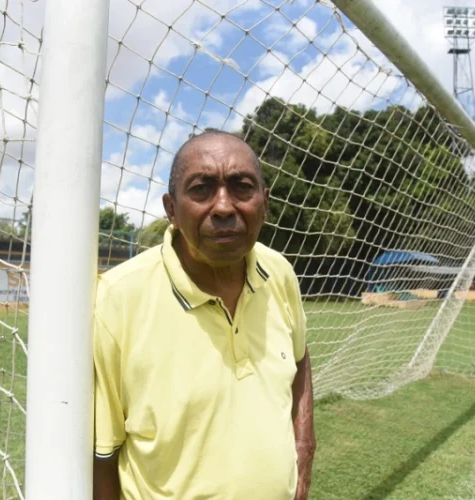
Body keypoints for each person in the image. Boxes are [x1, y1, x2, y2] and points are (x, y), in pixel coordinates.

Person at [92, 130, 316, 499]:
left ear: (265, 203)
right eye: (202, 188)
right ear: (171, 209)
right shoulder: (118, 299)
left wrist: (304, 447)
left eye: (242, 187)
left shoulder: (279, 273)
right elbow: (103, 456)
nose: (224, 207)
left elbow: (298, 357)